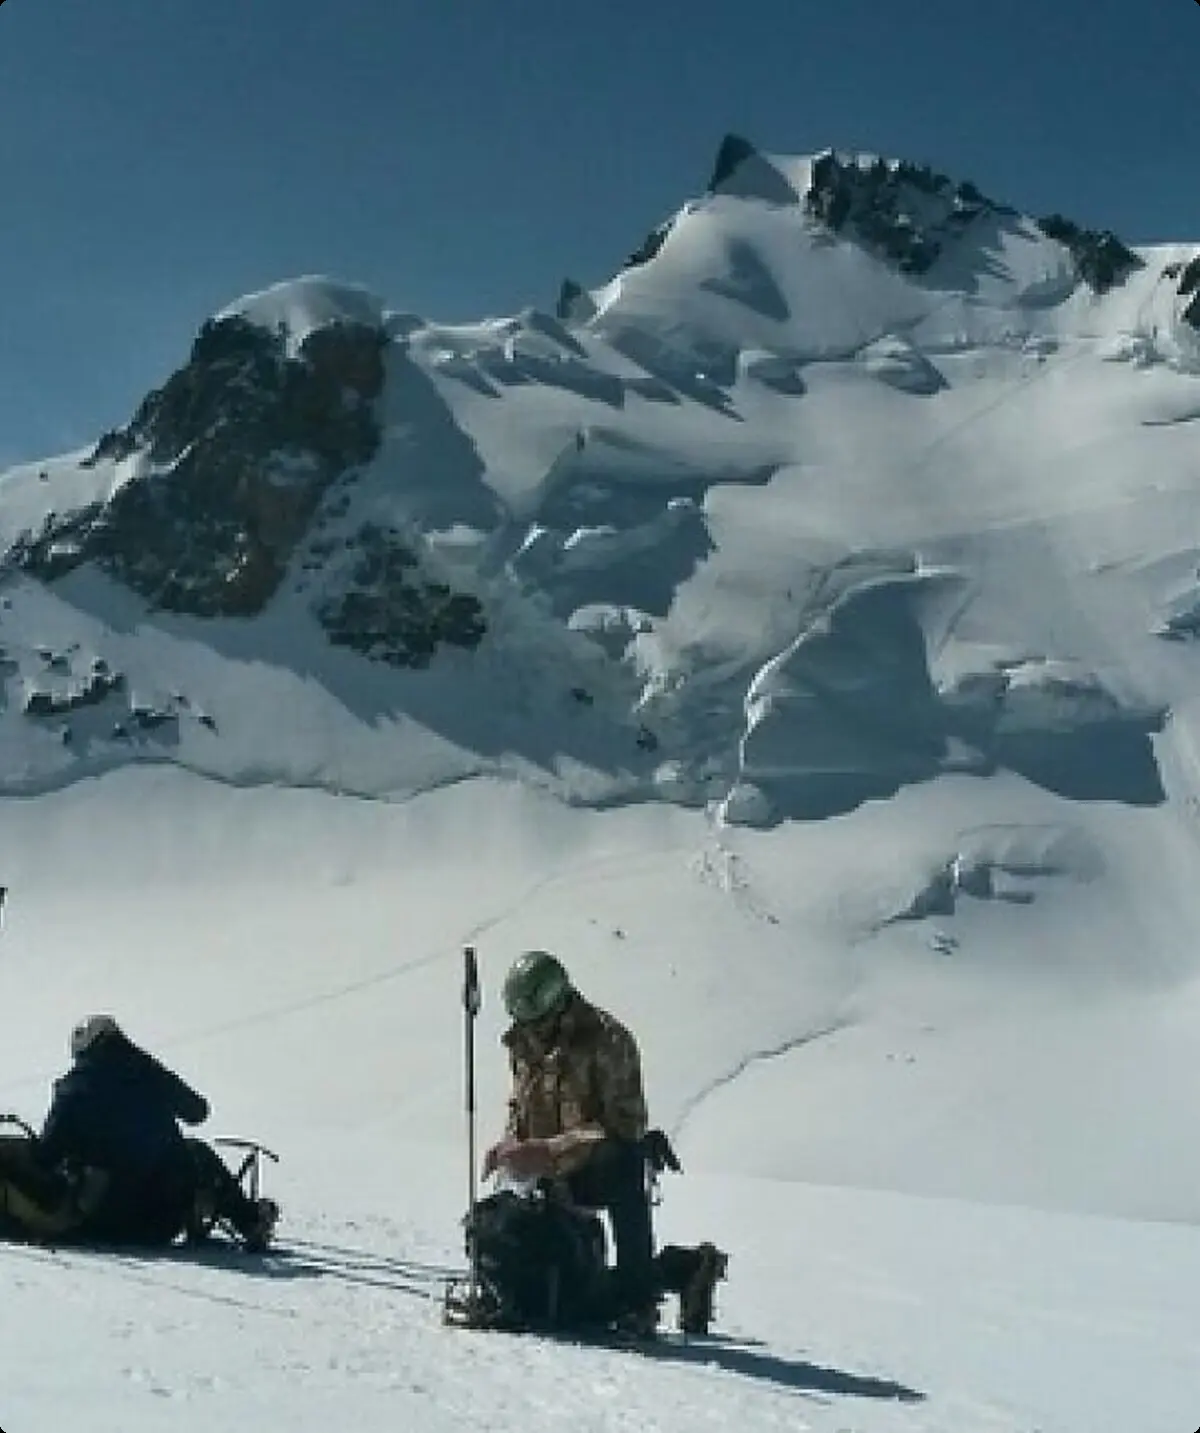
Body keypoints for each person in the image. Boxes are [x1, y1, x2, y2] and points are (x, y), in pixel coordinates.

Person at [482, 950, 657, 1333]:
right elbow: (522, 1103)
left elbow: (625, 1125)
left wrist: (548, 1151)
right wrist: (510, 1145)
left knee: (625, 1162)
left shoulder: (608, 1041)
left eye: (539, 1023)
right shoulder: (524, 1041)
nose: (531, 1033)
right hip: (544, 1172)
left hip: (592, 1166)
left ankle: (639, 1297)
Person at [4, 1015, 278, 1250]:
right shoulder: (148, 1075)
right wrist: (150, 1068)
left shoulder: (73, 1090)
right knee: (194, 1150)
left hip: (102, 1221)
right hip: (163, 1222)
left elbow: (46, 1156)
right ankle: (250, 1221)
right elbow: (197, 1112)